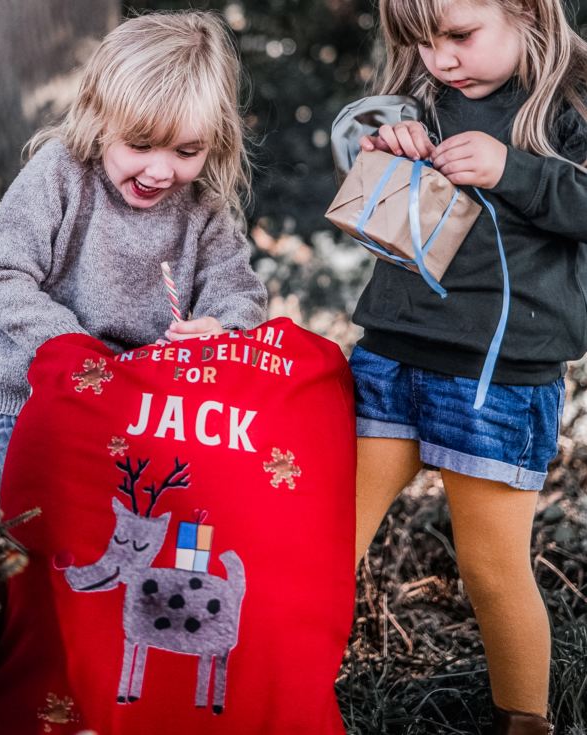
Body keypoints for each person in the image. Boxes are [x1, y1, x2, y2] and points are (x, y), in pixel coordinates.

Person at [344, 0, 587, 732]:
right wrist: (385, 141)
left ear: (524, 8)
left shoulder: (569, 99)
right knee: (327, 539)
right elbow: (372, 201)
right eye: (420, 42)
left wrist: (514, 170)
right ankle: (280, 692)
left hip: (497, 377)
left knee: (490, 568)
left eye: (457, 36)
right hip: (387, 354)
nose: (439, 60)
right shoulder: (421, 98)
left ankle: (525, 720)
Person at [0, 11, 268, 488]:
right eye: (141, 144)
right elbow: (1, 276)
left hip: (137, 409)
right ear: (100, 117)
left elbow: (239, 294)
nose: (159, 171)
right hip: (29, 395)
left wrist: (220, 329)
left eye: (186, 152)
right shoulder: (60, 175)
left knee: (116, 538)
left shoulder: (204, 208)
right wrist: (73, 350)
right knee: (45, 531)